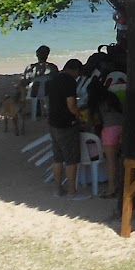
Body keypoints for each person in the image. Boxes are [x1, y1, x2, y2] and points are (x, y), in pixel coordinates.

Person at [47, 59, 89, 200]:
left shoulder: (54, 79)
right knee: (71, 159)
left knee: (57, 157)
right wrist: (80, 116)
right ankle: (72, 191)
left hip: (53, 121)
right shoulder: (69, 81)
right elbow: (71, 104)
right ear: (75, 70)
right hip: (66, 123)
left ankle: (57, 189)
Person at [86, 76, 125, 197]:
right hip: (122, 127)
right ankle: (120, 185)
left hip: (109, 129)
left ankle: (111, 188)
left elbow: (94, 121)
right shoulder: (111, 97)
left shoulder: (97, 102)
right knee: (119, 159)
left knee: (110, 161)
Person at [22, 46, 59, 118]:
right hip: (49, 92)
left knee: (31, 86)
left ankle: (34, 111)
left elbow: (24, 81)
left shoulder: (30, 67)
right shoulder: (53, 67)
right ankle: (47, 110)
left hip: (33, 93)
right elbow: (57, 80)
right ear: (47, 55)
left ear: (37, 54)